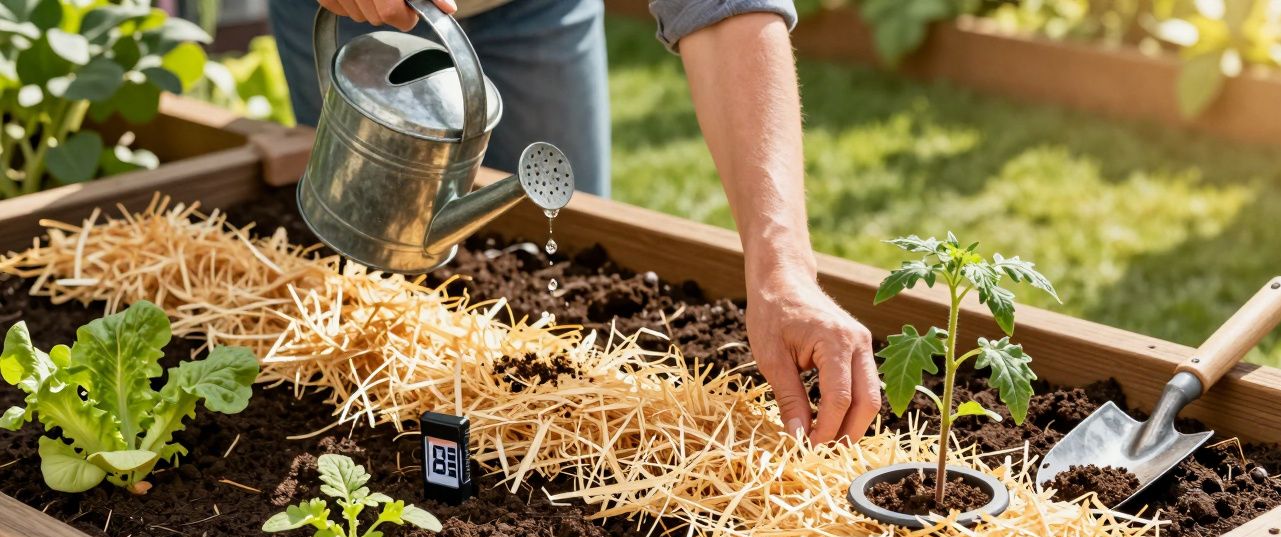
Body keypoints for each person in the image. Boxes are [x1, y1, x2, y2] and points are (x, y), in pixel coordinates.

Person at [270, 0, 881, 443]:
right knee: (363, 227)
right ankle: (369, 415)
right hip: (358, 18)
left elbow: (723, 7)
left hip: (533, 10)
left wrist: (784, 271)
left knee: (566, 252)